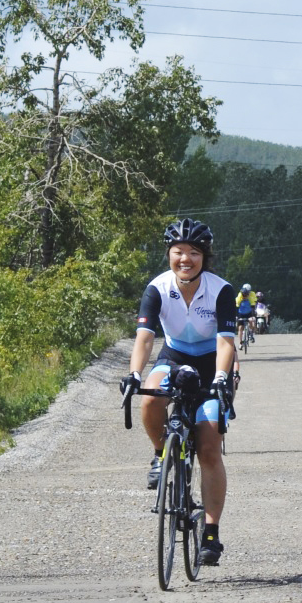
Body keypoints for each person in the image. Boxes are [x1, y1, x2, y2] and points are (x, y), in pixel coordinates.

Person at [121, 218, 238, 567]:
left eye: (193, 253)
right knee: (151, 396)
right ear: (169, 255)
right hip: (172, 358)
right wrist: (133, 373)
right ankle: (161, 454)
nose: (185, 259)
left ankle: (212, 532)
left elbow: (226, 342)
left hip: (210, 364)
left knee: (208, 447)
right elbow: (144, 338)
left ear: (205, 257)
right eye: (178, 252)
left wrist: (220, 378)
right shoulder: (157, 288)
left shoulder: (221, 290)